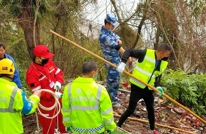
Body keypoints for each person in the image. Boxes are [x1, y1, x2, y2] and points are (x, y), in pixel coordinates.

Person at [116, 43, 171, 134]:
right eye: (167, 54)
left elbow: (157, 76)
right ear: (161, 53)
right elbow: (129, 51)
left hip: (148, 89)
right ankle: (118, 125)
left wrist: (158, 86)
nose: (167, 56)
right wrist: (123, 63)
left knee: (151, 109)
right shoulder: (145, 53)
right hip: (137, 86)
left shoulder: (162, 62)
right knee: (131, 109)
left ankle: (152, 129)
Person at [62, 61, 116, 134]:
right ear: (93, 72)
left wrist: (67, 124)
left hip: (77, 129)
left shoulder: (69, 88)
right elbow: (107, 113)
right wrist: (110, 127)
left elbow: (66, 110)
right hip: (96, 130)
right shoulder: (100, 90)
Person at [26, 44, 67, 134]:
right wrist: (52, 93)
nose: (48, 59)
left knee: (64, 120)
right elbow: (38, 92)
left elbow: (58, 73)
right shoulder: (31, 73)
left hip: (58, 97)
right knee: (48, 127)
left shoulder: (49, 63)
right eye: (45, 57)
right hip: (46, 104)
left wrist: (58, 82)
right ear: (38, 58)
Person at [0, 58, 42, 134]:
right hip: (13, 131)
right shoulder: (16, 92)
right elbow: (27, 109)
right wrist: (35, 97)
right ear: (12, 73)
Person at [99, 13, 125, 104]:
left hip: (116, 60)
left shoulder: (110, 32)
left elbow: (117, 39)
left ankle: (112, 97)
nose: (114, 27)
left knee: (116, 79)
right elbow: (117, 47)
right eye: (112, 25)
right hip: (110, 61)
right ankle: (111, 100)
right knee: (112, 80)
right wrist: (126, 55)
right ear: (107, 24)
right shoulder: (104, 36)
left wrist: (119, 40)